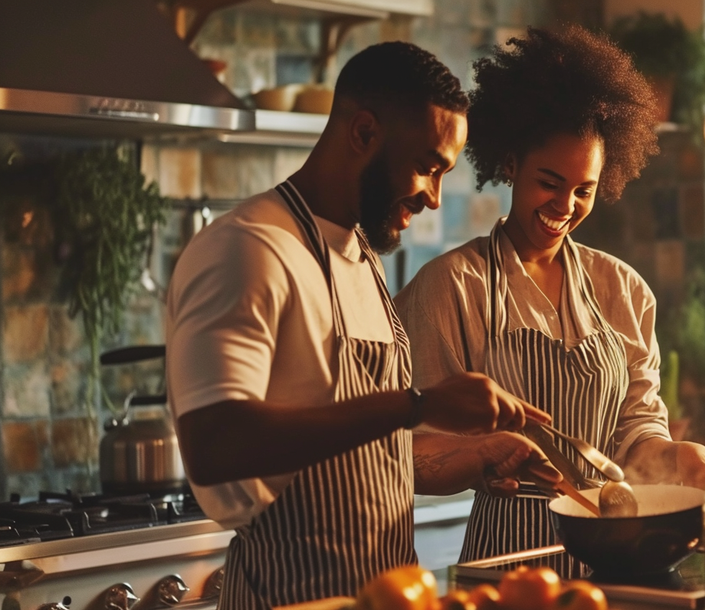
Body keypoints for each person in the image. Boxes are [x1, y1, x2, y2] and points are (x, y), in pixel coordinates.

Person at [165, 41, 559, 609]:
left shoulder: (364, 256)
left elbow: (364, 461)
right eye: (428, 167)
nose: (433, 196)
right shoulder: (248, 249)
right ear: (364, 132)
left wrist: (469, 455)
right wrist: (419, 405)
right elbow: (215, 443)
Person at [395, 25, 705, 572]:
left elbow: (636, 430)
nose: (565, 205)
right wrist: (481, 456)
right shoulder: (451, 287)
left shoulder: (623, 290)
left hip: (614, 566)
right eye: (550, 181)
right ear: (512, 163)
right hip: (507, 569)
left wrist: (680, 458)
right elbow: (410, 455)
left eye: (583, 190)